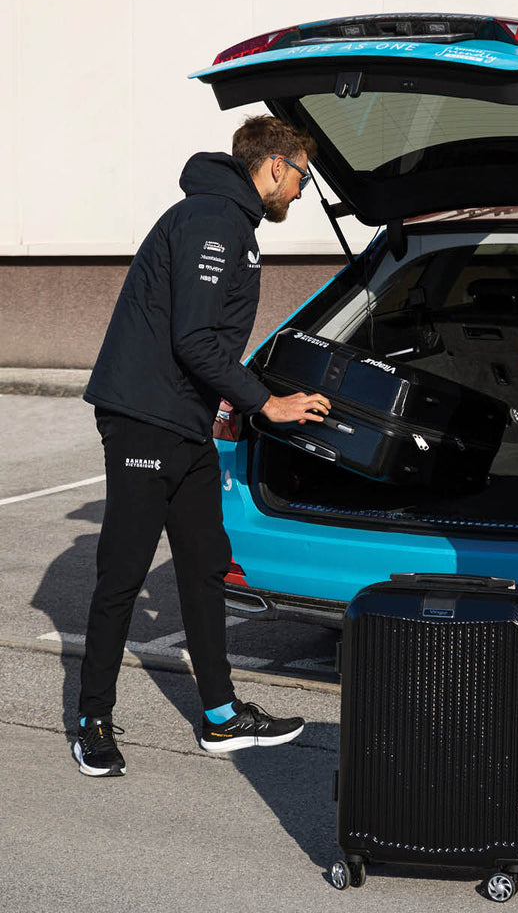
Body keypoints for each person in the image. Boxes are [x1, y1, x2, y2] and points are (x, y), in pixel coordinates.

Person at [73, 115, 333, 777]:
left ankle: (220, 714)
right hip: (144, 418)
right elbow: (193, 337)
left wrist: (231, 401)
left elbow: (203, 340)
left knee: (204, 562)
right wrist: (264, 403)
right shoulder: (214, 221)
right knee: (123, 572)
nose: (301, 192)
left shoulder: (228, 218)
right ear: (275, 165)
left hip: (181, 419)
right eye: (302, 178)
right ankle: (92, 720)